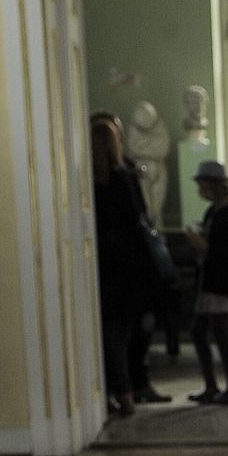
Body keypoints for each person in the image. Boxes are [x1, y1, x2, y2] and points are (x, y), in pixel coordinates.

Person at [90, 114, 149, 418]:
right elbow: (137, 219)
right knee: (121, 333)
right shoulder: (122, 177)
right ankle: (126, 392)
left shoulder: (88, 180)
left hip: (100, 265)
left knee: (105, 333)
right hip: (126, 266)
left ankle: (110, 392)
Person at [185, 159, 228, 405]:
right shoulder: (213, 212)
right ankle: (212, 386)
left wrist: (201, 243)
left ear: (213, 185)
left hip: (223, 283)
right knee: (200, 331)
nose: (200, 190)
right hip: (210, 281)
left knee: (221, 333)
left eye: (202, 184)